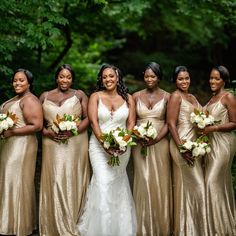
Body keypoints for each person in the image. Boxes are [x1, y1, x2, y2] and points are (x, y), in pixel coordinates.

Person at [77, 64, 137, 236]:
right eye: (105, 77)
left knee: (118, 184)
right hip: (98, 147)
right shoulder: (95, 96)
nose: (108, 80)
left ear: (118, 78)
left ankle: (120, 229)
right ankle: (101, 229)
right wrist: (105, 144)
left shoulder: (128, 99)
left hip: (122, 147)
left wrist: (124, 142)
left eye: (111, 76)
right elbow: (94, 123)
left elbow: (131, 123)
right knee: (102, 183)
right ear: (101, 79)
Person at [39, 64, 90, 236]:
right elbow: (37, 123)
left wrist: (73, 131)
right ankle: (52, 223)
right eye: (62, 76)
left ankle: (73, 220)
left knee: (72, 178)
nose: (65, 80)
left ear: (72, 79)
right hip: (51, 143)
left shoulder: (80, 95)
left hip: (75, 142)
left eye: (68, 77)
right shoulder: (44, 96)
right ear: (56, 78)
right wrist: (46, 132)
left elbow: (88, 118)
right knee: (54, 179)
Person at [0, 69, 43, 236]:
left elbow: (37, 126)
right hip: (9, 145)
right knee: (8, 180)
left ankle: (20, 225)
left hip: (22, 145)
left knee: (17, 182)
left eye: (21, 80)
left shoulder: (30, 100)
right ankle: (8, 221)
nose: (17, 83)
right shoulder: (16, 99)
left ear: (29, 83)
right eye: (15, 80)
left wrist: (12, 132)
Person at [132, 62, 173, 236]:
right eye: (147, 76)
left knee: (159, 181)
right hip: (140, 143)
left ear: (159, 77)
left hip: (160, 142)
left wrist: (156, 138)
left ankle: (161, 225)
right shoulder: (134, 96)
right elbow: (131, 122)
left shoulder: (168, 96)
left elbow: (169, 122)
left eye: (153, 76)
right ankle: (142, 226)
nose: (149, 79)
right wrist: (138, 135)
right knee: (143, 180)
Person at [167, 66, 208, 235]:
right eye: (180, 79)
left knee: (191, 187)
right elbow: (170, 123)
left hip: (195, 146)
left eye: (187, 78)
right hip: (182, 143)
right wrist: (182, 148)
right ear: (175, 81)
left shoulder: (191, 97)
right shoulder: (176, 96)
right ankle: (186, 229)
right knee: (196, 185)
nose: (184, 82)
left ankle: (193, 228)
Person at [202, 65, 236, 235]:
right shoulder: (212, 99)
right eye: (211, 78)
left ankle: (219, 230)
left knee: (211, 182)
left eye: (216, 78)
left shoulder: (228, 96)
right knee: (217, 184)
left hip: (223, 143)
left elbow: (234, 122)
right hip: (210, 145)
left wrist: (214, 128)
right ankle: (215, 225)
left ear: (224, 80)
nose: (212, 81)